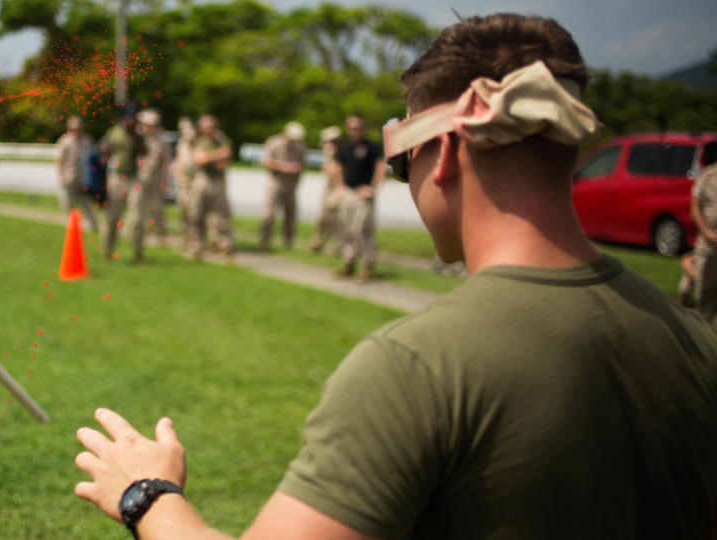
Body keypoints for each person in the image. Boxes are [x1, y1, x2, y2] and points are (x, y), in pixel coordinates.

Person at [72, 13, 717, 540]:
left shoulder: (419, 366)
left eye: (403, 159)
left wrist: (147, 494)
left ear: (446, 156)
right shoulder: (695, 339)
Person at [332, 114, 386, 281]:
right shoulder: (344, 148)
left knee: (364, 229)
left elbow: (381, 167)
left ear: (364, 129)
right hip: (349, 193)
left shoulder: (371, 147)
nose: (355, 131)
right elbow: (337, 166)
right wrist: (340, 186)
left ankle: (368, 266)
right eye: (352, 128)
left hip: (364, 195)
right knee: (347, 229)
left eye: (359, 128)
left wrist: (373, 187)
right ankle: (349, 264)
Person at [102, 103, 148, 262]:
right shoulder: (114, 133)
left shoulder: (138, 135)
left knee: (136, 218)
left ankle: (138, 252)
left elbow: (144, 152)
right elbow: (104, 154)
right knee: (113, 217)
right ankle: (107, 251)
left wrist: (137, 135)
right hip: (116, 178)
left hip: (134, 179)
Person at [187, 114, 234, 260]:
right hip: (201, 179)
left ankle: (224, 246)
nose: (209, 129)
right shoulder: (198, 140)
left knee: (220, 215)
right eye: (206, 127)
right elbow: (199, 159)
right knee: (196, 214)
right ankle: (196, 246)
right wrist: (217, 155)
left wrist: (209, 157)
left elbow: (224, 162)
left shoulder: (222, 139)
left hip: (217, 181)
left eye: (211, 126)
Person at [259, 121, 307, 252]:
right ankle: (265, 241)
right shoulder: (273, 143)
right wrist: (284, 166)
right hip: (275, 182)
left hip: (291, 184)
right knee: (269, 214)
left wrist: (297, 168)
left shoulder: (300, 146)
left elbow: (304, 163)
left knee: (290, 214)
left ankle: (288, 242)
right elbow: (265, 161)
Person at [55, 115, 99, 233]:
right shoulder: (65, 141)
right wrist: (61, 176)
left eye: (78, 128)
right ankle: (72, 227)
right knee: (70, 204)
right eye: (73, 129)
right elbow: (60, 160)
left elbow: (93, 158)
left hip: (84, 178)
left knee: (87, 203)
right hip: (70, 177)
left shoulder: (87, 140)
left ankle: (93, 225)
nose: (76, 131)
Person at [308, 126, 344, 254]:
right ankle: (318, 241)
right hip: (329, 186)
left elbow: (335, 171)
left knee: (335, 217)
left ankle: (337, 245)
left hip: (336, 187)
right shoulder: (330, 153)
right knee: (323, 217)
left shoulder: (340, 154)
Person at [138, 109, 171, 246]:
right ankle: (141, 230)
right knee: (139, 204)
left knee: (157, 206)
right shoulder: (138, 138)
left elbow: (165, 162)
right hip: (140, 176)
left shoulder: (161, 140)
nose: (149, 127)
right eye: (147, 124)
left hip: (156, 177)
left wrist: (165, 180)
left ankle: (160, 231)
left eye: (152, 124)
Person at [691, 160, 717, 322]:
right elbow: (694, 206)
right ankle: (703, 327)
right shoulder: (707, 176)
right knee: (704, 290)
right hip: (708, 246)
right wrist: (706, 232)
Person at [173, 117, 197, 246]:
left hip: (194, 181)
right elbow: (179, 160)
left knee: (194, 211)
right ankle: (186, 237)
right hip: (182, 182)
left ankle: (194, 239)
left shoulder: (196, 141)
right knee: (184, 210)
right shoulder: (181, 143)